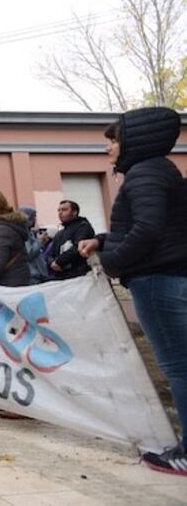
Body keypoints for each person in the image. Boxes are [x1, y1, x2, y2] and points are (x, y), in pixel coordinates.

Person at [78, 107, 187, 475]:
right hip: (167, 276)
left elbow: (148, 230)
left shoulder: (143, 173)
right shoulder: (159, 170)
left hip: (156, 281)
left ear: (132, 140)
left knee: (178, 365)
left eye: (113, 140)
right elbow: (154, 226)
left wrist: (111, 261)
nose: (108, 148)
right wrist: (103, 240)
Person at [47, 200, 95, 280]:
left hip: (80, 274)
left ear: (74, 212)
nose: (60, 213)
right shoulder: (60, 233)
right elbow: (50, 252)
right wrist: (51, 263)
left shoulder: (83, 227)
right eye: (59, 210)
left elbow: (78, 248)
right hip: (62, 276)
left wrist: (58, 262)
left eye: (64, 210)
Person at [18, 206, 50, 284]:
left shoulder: (29, 232)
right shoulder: (22, 233)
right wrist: (40, 240)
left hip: (37, 274)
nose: (35, 220)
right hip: (32, 275)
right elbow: (29, 253)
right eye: (33, 217)